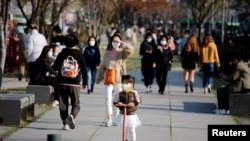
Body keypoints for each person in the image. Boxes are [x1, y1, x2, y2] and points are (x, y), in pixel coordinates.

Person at [96, 33, 134, 127]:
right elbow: (102, 66)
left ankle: (116, 117)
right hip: (108, 78)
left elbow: (131, 50)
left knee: (118, 98)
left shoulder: (122, 53)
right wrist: (99, 78)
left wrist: (123, 43)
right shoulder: (108, 53)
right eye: (114, 41)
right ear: (111, 41)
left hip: (119, 79)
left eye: (117, 41)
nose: (115, 43)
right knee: (108, 98)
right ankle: (109, 118)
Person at [52, 34, 87, 130]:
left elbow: (55, 67)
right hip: (74, 84)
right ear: (76, 43)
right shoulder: (80, 54)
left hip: (62, 83)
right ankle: (71, 116)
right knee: (76, 104)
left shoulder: (62, 53)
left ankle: (65, 124)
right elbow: (84, 69)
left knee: (63, 105)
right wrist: (85, 82)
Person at [113, 74, 142, 141]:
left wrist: (133, 103)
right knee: (124, 129)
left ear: (131, 84)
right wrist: (118, 103)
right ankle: (125, 139)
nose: (125, 84)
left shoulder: (134, 93)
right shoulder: (120, 93)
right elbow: (115, 101)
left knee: (132, 129)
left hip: (131, 114)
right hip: (123, 114)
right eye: (123, 83)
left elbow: (139, 100)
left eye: (127, 83)